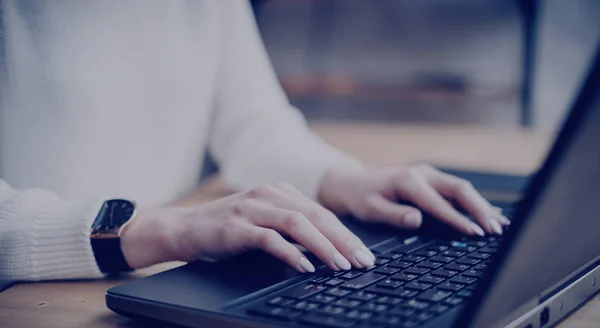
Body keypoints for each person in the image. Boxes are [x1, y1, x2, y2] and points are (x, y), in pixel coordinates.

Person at [0, 0, 508, 281]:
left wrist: (340, 178)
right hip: (31, 308)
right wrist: (164, 230)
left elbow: (252, 122)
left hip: (158, 275)